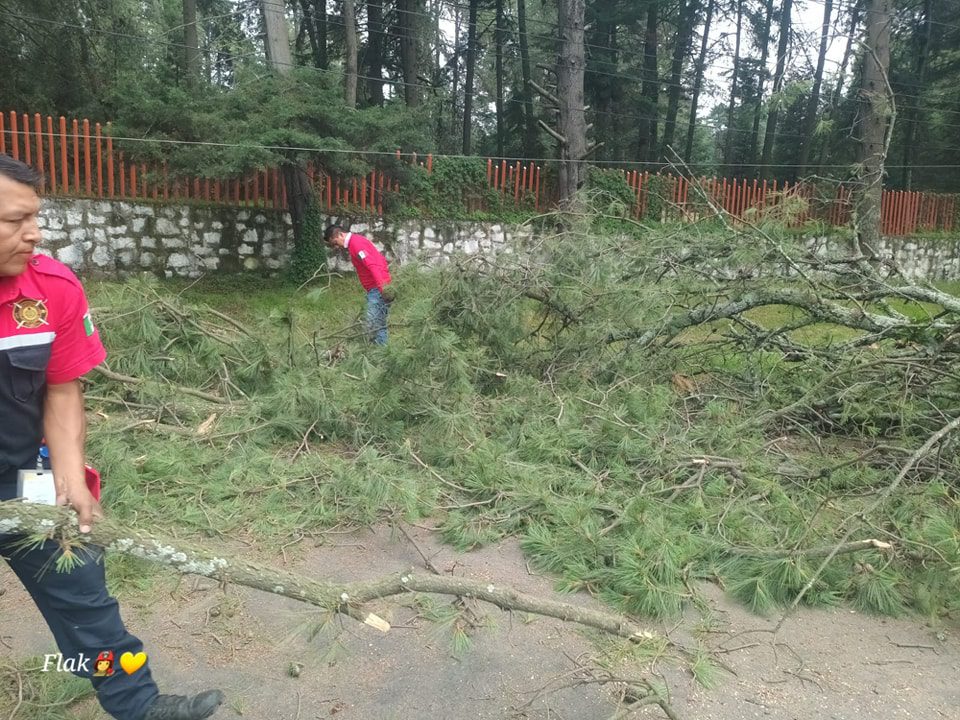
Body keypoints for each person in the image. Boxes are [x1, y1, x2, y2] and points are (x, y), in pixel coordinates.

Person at [0, 154, 224, 720]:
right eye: (14, 221)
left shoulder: (51, 290)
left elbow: (62, 390)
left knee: (85, 603)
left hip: (24, 480)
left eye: (36, 216)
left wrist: (70, 477)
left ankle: (137, 703)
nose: (35, 233)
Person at [324, 224, 394, 345]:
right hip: (377, 288)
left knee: (371, 323)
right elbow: (380, 260)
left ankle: (371, 351)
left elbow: (373, 265)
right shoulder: (355, 243)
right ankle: (381, 354)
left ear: (340, 234)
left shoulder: (356, 244)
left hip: (377, 289)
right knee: (379, 323)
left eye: (335, 242)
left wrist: (383, 288)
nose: (335, 246)